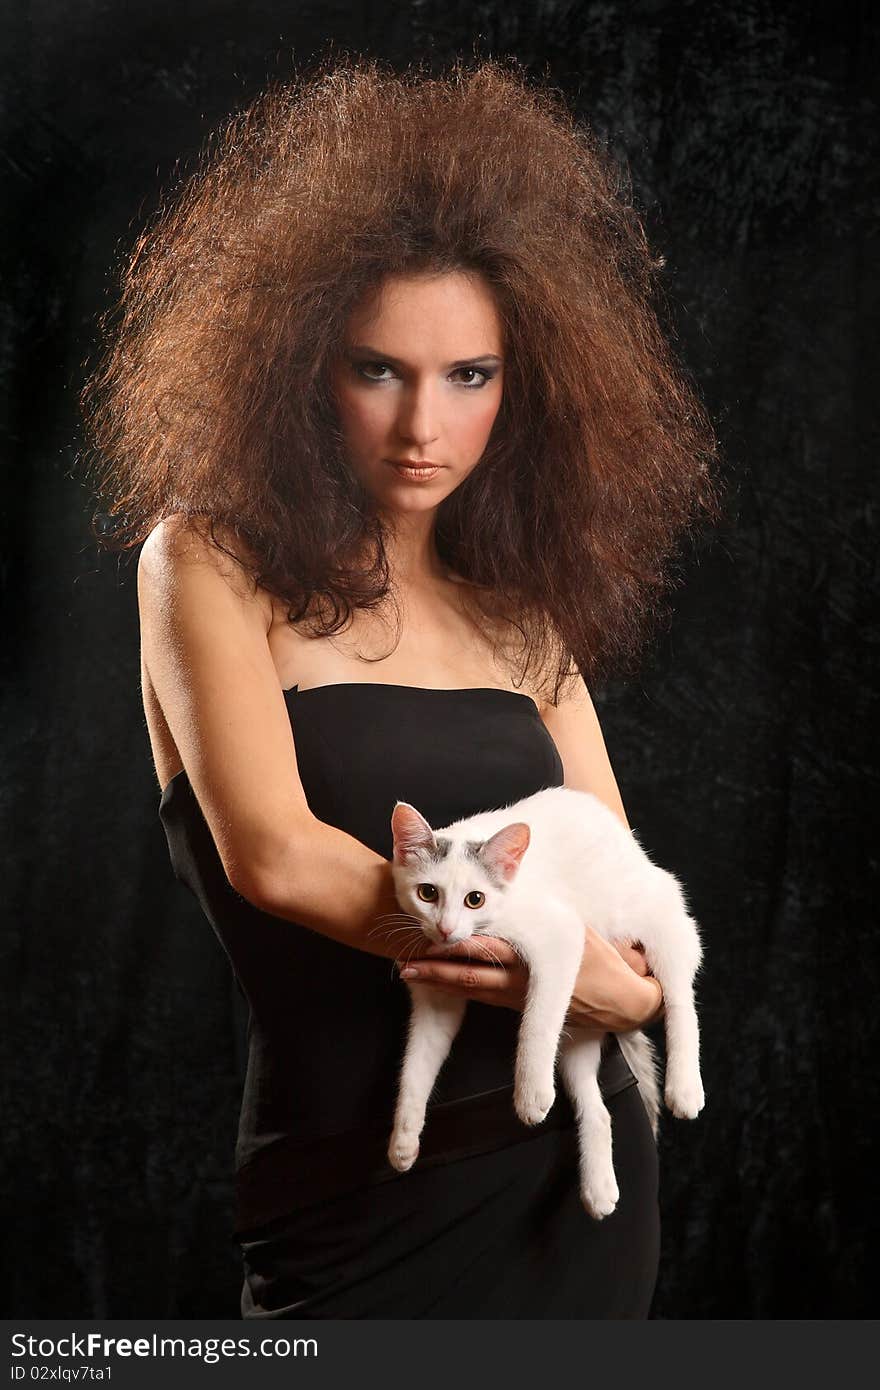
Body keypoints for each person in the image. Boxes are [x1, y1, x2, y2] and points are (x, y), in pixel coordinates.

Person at [79, 55, 722, 1318]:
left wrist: (632, 991)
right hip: (357, 1187)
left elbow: (629, 912)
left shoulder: (521, 615)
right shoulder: (205, 562)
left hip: (570, 1188)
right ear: (301, 365)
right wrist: (558, 962)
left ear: (524, 388)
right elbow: (272, 855)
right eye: (378, 369)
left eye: (468, 377)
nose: (422, 424)